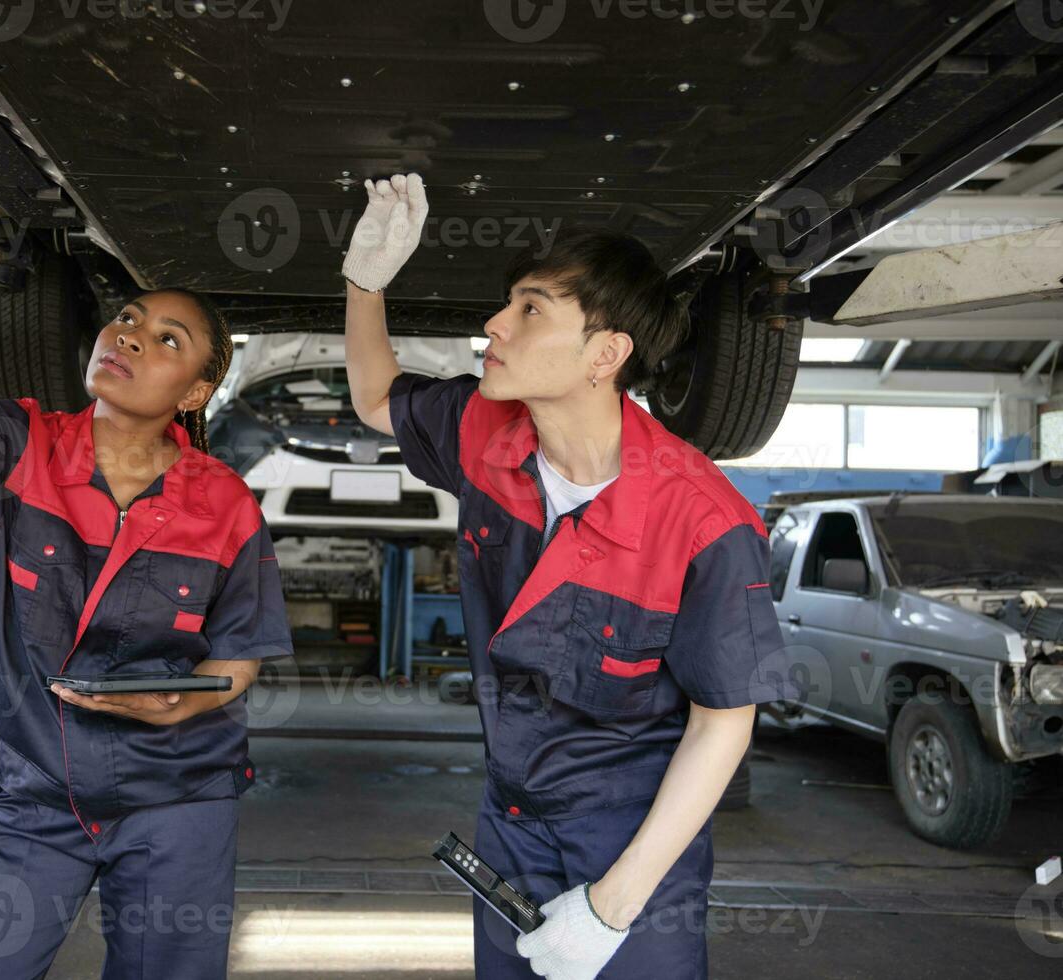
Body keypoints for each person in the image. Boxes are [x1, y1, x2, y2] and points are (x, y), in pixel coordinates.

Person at [340, 174, 800, 979]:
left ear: (606, 354)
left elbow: (723, 723)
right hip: (510, 818)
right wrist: (365, 281)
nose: (494, 325)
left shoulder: (703, 520)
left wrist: (611, 906)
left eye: (530, 309)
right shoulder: (486, 432)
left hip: (632, 839)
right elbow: (378, 397)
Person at [0, 160, 293, 978]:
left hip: (180, 799)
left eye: (168, 339)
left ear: (197, 391)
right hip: (33, 797)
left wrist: (180, 703)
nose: (130, 334)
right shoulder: (19, 447)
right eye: (128, 319)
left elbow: (236, 659)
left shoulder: (225, 503)